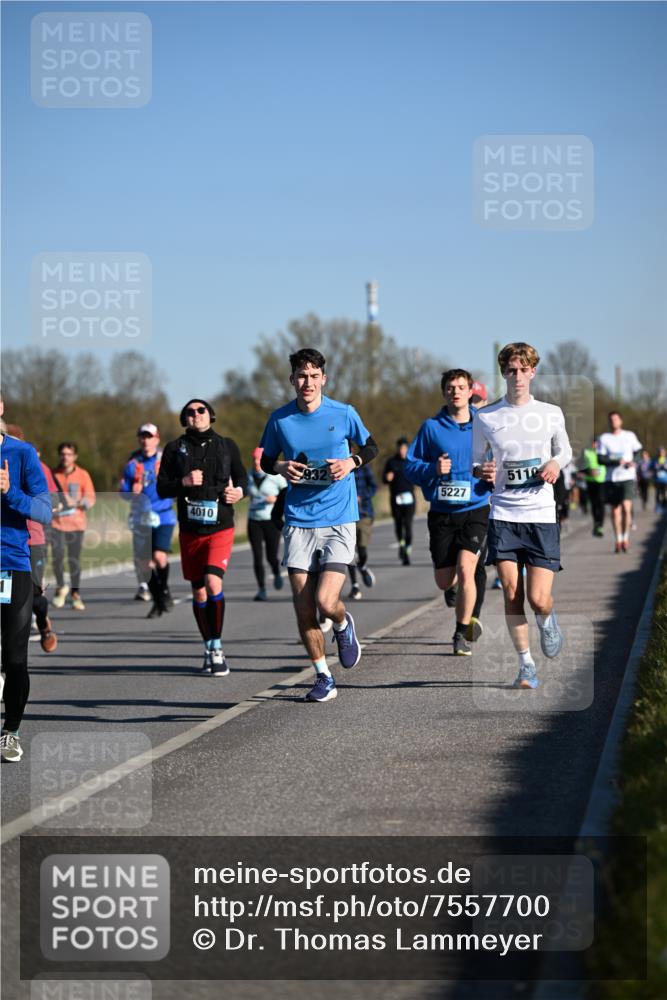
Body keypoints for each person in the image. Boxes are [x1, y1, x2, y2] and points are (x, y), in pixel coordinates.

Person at [259, 348, 378, 703]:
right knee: (303, 606)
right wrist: (280, 468)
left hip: (339, 518)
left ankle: (342, 624)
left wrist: (351, 462)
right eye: (301, 375)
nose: (307, 382)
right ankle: (323, 676)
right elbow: (266, 459)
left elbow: (371, 446)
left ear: (323, 378)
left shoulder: (343, 413)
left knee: (327, 602)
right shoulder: (280, 420)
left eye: (314, 375)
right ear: (292, 379)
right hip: (298, 520)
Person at [472, 342, 572, 689]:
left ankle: (547, 621)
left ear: (533, 371)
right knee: (511, 593)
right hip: (503, 515)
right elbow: (476, 459)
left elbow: (565, 449)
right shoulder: (485, 416)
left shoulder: (550, 412)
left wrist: (556, 464)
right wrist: (481, 470)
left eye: (522, 369)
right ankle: (526, 665)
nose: (516, 376)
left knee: (538, 598)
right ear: (503, 373)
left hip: (542, 514)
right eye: (510, 370)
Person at [405, 369, 492, 656]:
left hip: (476, 508)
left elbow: (502, 459)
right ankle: (451, 587)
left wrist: (494, 473)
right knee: (445, 580)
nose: (456, 392)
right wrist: (432, 469)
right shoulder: (431, 428)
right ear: (444, 393)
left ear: (470, 392)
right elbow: (410, 467)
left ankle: (460, 633)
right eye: (450, 388)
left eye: (461, 387)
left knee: (468, 569)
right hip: (442, 513)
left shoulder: (485, 426)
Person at [157, 399, 246, 674]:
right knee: (198, 590)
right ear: (185, 419)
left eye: (200, 410)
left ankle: (218, 647)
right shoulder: (174, 449)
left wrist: (239, 491)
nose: (195, 415)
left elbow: (243, 479)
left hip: (221, 525)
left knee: (212, 582)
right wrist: (182, 482)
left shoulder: (227, 445)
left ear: (211, 415)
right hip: (190, 529)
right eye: (189, 412)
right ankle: (208, 644)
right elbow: (161, 488)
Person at [0, 398, 52, 761]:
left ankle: (11, 732)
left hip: (10, 565)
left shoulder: (21, 454)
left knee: (15, 658)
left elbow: (44, 511)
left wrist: (9, 492)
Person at [5, 425, 58, 652]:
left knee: (35, 592)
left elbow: (48, 503)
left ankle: (44, 624)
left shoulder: (34, 463)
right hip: (8, 547)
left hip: (32, 540)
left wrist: (11, 492)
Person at [119, 423, 177, 618]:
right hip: (141, 517)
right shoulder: (132, 464)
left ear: (157, 439)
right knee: (144, 564)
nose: (145, 440)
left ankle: (165, 590)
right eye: (142, 437)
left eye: (149, 436)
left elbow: (178, 483)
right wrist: (131, 492)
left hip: (164, 515)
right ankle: (158, 599)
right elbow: (123, 492)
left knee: (159, 557)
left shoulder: (167, 460)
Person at [50, 442, 96, 611]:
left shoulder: (83, 474)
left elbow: (90, 499)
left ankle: (75, 593)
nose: (65, 457)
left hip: (76, 524)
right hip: (56, 523)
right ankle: (61, 587)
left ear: (75, 456)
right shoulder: (53, 474)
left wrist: (74, 501)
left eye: (69, 454)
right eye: (62, 454)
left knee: (74, 560)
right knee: (57, 558)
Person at [597, 412, 642, 553]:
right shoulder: (604, 438)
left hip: (627, 477)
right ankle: (618, 539)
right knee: (615, 512)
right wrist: (616, 461)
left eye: (616, 419)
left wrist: (634, 462)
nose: (613, 422)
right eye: (611, 420)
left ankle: (626, 538)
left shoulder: (629, 436)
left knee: (626, 507)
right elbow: (600, 459)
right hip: (612, 478)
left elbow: (639, 452)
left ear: (621, 421)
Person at [247, 446, 287, 601]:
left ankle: (276, 571)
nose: (256, 463)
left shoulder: (275, 477)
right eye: (254, 459)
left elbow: (286, 493)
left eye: (259, 459)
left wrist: (275, 499)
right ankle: (261, 589)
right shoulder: (249, 476)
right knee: (257, 557)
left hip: (271, 520)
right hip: (254, 520)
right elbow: (243, 491)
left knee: (271, 556)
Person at [382, 438, 415, 565]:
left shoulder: (411, 461)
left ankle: (407, 549)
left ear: (407, 449)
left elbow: (418, 476)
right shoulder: (391, 462)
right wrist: (387, 478)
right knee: (398, 524)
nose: (402, 451)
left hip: (409, 499)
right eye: (400, 448)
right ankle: (401, 543)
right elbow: (384, 480)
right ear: (397, 449)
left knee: (408, 525)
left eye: (405, 448)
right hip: (395, 498)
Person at [348, 462, 378, 600]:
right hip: (345, 517)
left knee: (362, 552)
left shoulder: (363, 468)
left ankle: (363, 567)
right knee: (348, 554)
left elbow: (374, 487)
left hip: (363, 514)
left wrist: (361, 496)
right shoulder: (333, 468)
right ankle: (355, 585)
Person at [581, 438, 606, 536]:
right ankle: (596, 523)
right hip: (590, 481)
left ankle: (600, 525)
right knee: (594, 503)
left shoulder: (603, 452)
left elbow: (608, 463)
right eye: (593, 443)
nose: (594, 445)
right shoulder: (586, 452)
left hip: (602, 481)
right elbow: (580, 466)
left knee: (601, 502)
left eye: (596, 443)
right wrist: (589, 471)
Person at [651, 446, 667, 512]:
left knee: (664, 493)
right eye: (660, 452)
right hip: (657, 480)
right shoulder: (655, 460)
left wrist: (665, 467)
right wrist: (656, 467)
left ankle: (664, 505)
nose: (661, 453)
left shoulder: (666, 460)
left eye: (663, 452)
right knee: (657, 493)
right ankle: (657, 506)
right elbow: (650, 468)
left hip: (665, 480)